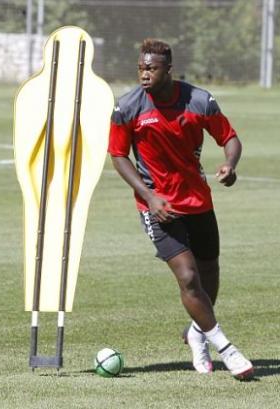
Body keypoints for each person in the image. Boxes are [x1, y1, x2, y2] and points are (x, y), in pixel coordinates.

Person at [108, 38, 253, 380]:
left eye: (152, 68)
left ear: (168, 70)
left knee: (209, 275)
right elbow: (117, 155)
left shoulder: (199, 101)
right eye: (141, 68)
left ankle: (196, 334)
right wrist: (150, 196)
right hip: (158, 206)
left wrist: (230, 165)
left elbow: (230, 138)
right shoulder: (127, 107)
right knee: (188, 276)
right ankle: (227, 350)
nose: (144, 74)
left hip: (198, 200)